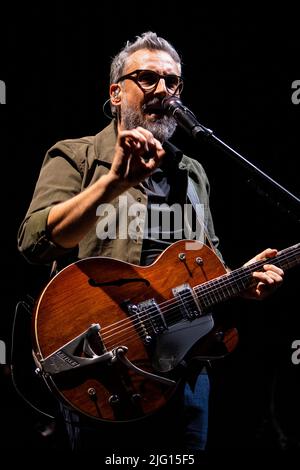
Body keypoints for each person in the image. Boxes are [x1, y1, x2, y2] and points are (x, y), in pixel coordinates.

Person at [17, 31, 284, 453]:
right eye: (146, 78)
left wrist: (240, 282)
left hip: (185, 371)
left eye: (172, 82)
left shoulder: (193, 172)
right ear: (116, 92)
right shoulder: (77, 156)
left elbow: (205, 266)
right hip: (105, 366)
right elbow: (34, 243)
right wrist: (110, 185)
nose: (162, 90)